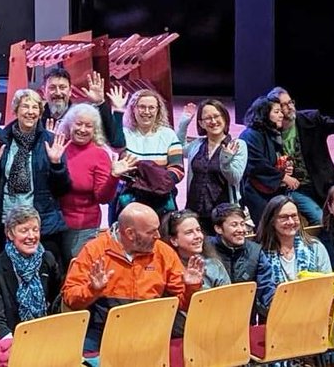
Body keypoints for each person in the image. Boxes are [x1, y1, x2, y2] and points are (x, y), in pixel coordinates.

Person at [62, 202, 202, 353]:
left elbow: (183, 304)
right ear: (130, 234)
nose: (158, 236)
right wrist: (92, 290)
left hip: (150, 330)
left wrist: (191, 288)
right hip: (103, 329)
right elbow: (70, 298)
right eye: (151, 232)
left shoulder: (163, 252)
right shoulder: (94, 250)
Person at [0, 89, 71, 264]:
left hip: (42, 224)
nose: (30, 111)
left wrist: (56, 164)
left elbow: (62, 189)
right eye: (25, 106)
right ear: (15, 110)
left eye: (35, 107)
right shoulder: (2, 140)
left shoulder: (51, 141)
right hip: (8, 221)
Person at [266, 86, 334, 216]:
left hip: (324, 180)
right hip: (297, 188)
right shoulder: (269, 132)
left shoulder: (311, 119)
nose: (290, 107)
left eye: (290, 102)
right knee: (319, 218)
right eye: (284, 105)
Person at [0, 206, 64, 341]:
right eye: (24, 231)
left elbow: (57, 304)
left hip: (46, 335)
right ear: (10, 234)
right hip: (13, 339)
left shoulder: (47, 259)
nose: (31, 236)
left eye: (35, 230)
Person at [57, 103, 128, 259]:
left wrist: (114, 177)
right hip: (53, 224)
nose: (82, 129)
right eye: (78, 124)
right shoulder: (57, 148)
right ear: (69, 125)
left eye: (88, 126)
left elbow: (104, 198)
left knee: (78, 273)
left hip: (83, 227)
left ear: (94, 130)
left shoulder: (100, 155)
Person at [113, 88, 185, 217]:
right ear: (133, 109)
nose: (146, 112)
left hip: (162, 200)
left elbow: (178, 169)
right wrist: (118, 110)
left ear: (158, 110)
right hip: (129, 200)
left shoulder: (168, 134)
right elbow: (116, 152)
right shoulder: (125, 134)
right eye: (142, 107)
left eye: (151, 107)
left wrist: (160, 183)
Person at [178, 99, 246, 234]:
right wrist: (184, 122)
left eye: (216, 116)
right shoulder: (197, 144)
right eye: (208, 118)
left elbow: (235, 178)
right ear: (201, 123)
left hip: (223, 216)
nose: (213, 121)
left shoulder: (237, 145)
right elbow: (178, 148)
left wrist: (226, 159)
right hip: (195, 211)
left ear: (225, 118)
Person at [162, 209, 229, 337]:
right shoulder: (168, 269)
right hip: (181, 335)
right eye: (189, 232)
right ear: (174, 240)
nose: (198, 236)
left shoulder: (213, 265)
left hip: (216, 330)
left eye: (198, 230)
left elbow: (228, 301)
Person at [207, 204, 275, 320]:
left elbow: (266, 290)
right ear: (218, 229)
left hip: (246, 319)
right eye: (234, 225)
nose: (241, 230)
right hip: (213, 319)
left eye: (242, 224)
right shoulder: (206, 250)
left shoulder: (256, 252)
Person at [237, 96, 293, 225]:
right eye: (276, 111)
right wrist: (282, 177)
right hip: (256, 193)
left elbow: (276, 159)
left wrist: (285, 167)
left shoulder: (273, 134)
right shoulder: (250, 135)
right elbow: (257, 165)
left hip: (274, 190)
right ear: (264, 114)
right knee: (265, 227)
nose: (281, 115)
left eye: (281, 111)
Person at [256, 195, 331, 285]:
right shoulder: (259, 253)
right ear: (272, 221)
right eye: (284, 217)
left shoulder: (315, 247)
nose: (291, 222)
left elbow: (328, 284)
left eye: (294, 216)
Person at [42, 68, 124, 148]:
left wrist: (100, 103)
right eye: (52, 88)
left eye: (62, 87)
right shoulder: (36, 117)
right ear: (44, 91)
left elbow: (117, 142)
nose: (58, 93)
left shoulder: (84, 115)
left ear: (70, 91)